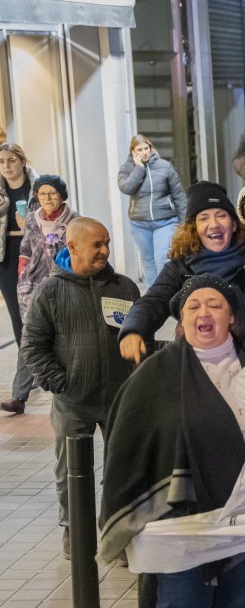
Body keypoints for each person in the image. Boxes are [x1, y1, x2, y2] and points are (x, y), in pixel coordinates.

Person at [99, 274, 245, 603]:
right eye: (193, 306)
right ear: (182, 320)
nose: (202, 312)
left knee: (239, 599)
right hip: (179, 520)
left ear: (232, 316)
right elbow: (126, 447)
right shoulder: (156, 372)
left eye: (214, 305)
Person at [20, 218, 139, 555]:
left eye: (107, 243)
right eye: (97, 244)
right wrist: (62, 384)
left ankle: (119, 535)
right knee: (71, 472)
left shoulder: (125, 287)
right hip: (72, 400)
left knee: (124, 468)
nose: (105, 251)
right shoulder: (50, 292)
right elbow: (32, 346)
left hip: (120, 398)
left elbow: (138, 336)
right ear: (72, 246)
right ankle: (75, 531)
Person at [119, 182, 245, 363]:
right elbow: (153, 302)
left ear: (233, 224)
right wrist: (133, 329)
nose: (213, 224)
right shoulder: (181, 267)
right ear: (194, 228)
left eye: (221, 215)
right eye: (203, 218)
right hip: (196, 372)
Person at [118, 134, 188, 286]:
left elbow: (179, 195)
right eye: (139, 149)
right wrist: (139, 169)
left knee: (163, 259)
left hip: (165, 221)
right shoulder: (127, 168)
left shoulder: (164, 166)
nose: (144, 152)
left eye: (146, 148)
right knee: (148, 261)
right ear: (132, 152)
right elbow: (126, 187)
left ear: (150, 148)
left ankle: (168, 292)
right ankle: (154, 296)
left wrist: (184, 223)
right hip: (139, 224)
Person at [0, 143, 35, 415]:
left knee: (36, 319)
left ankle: (37, 368)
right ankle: (24, 384)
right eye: (1, 162)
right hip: (7, 259)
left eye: (11, 160)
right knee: (19, 320)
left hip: (36, 258)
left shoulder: (39, 186)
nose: (6, 166)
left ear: (22, 161)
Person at [17, 175, 78, 318]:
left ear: (62, 196)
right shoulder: (32, 219)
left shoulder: (75, 221)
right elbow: (25, 250)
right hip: (32, 283)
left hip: (65, 283)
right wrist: (22, 272)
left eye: (52, 193)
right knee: (35, 327)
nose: (47, 198)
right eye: (42, 194)